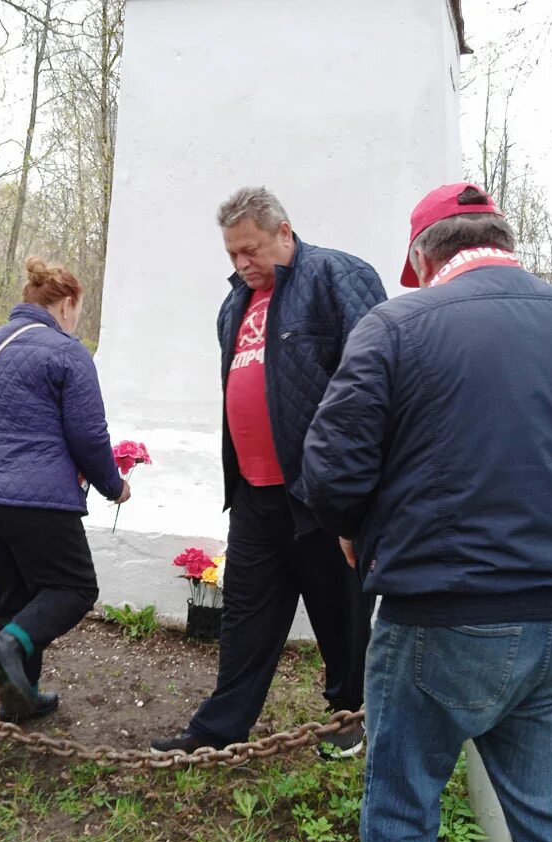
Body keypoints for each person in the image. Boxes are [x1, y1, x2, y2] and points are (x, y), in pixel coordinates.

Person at [295, 182, 552, 842]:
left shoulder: (397, 326)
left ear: (424, 256)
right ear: (502, 242)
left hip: (441, 613)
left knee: (401, 805)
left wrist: (356, 533)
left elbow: (332, 471)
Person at [150, 187, 387, 756]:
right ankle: (218, 728)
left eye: (250, 250)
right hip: (255, 492)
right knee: (245, 616)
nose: (240, 264)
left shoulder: (336, 276)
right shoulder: (234, 305)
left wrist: (350, 488)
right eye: (232, 254)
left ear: (284, 232)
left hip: (319, 492)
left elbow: (375, 381)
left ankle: (348, 715)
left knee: (340, 611)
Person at [0, 257, 129, 723]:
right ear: (66, 304)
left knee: (15, 600)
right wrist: (115, 485)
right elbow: (89, 435)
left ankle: (19, 700)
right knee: (73, 588)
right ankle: (8, 645)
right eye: (78, 310)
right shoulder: (68, 352)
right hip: (39, 502)